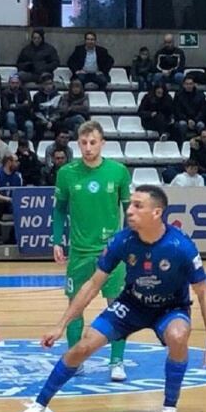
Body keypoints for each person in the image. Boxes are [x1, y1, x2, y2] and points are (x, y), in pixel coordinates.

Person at [18, 185, 206, 412]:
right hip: (132, 304)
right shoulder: (122, 240)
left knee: (178, 336)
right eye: (130, 204)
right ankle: (39, 405)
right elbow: (93, 284)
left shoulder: (181, 246)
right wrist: (60, 325)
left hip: (170, 308)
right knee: (83, 346)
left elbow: (204, 295)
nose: (129, 210)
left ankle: (170, 409)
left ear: (157, 212)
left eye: (138, 205)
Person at [51, 120, 133, 382]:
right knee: (75, 306)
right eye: (84, 143)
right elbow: (59, 209)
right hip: (79, 253)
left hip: (112, 251)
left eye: (93, 142)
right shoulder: (66, 173)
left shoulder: (118, 172)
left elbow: (130, 211)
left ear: (102, 143)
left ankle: (117, 362)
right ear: (78, 144)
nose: (88, 148)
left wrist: (132, 243)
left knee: (118, 307)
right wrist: (56, 240)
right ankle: (76, 359)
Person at [0, 154, 24, 242]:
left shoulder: (18, 176)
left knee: (20, 209)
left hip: (12, 202)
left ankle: (13, 237)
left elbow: (20, 193)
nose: (18, 163)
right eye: (16, 161)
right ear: (9, 162)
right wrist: (8, 199)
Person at [0, 74, 35, 140]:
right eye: (13, 83)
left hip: (23, 117)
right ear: (9, 83)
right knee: (10, 114)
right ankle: (15, 134)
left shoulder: (25, 92)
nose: (15, 85)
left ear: (20, 83)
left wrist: (15, 105)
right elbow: (6, 107)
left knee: (30, 125)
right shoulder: (4, 93)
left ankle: (27, 143)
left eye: (17, 83)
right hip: (8, 121)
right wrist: (22, 105)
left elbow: (29, 105)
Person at [173, 76, 206, 142]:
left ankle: (200, 144)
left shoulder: (201, 95)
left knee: (201, 125)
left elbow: (202, 111)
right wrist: (188, 120)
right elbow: (177, 111)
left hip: (197, 119)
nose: (189, 86)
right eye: (187, 84)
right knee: (182, 124)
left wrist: (195, 120)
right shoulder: (178, 95)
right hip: (183, 119)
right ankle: (182, 143)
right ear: (183, 85)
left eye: (190, 84)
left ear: (194, 84)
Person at [31, 73, 62, 140]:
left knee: (60, 125)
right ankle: (38, 146)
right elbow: (36, 111)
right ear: (42, 85)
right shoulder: (37, 96)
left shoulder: (58, 96)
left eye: (50, 83)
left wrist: (51, 121)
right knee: (38, 126)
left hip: (54, 120)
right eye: (46, 84)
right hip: (41, 120)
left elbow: (59, 111)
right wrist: (45, 121)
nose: (48, 86)